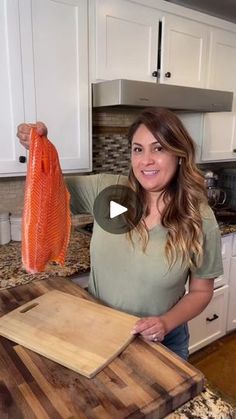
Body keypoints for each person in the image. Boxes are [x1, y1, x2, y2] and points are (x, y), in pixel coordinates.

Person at [17, 107, 223, 360]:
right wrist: (40, 150)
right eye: (138, 149)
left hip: (161, 342)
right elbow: (49, 192)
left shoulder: (199, 218)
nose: (145, 160)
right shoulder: (109, 191)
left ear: (179, 154)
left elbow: (202, 291)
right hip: (97, 331)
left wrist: (165, 323)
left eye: (158, 148)